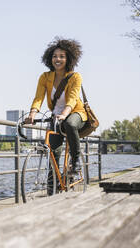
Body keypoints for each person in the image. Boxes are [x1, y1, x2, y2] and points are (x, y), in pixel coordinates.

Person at [25, 37, 87, 175]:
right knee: (53, 152)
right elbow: (38, 97)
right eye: (54, 56)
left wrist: (65, 114)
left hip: (75, 112)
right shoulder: (45, 77)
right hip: (56, 116)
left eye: (61, 56)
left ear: (69, 59)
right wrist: (32, 114)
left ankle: (76, 161)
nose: (57, 59)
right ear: (49, 58)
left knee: (70, 124)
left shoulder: (75, 77)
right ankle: (52, 186)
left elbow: (72, 99)